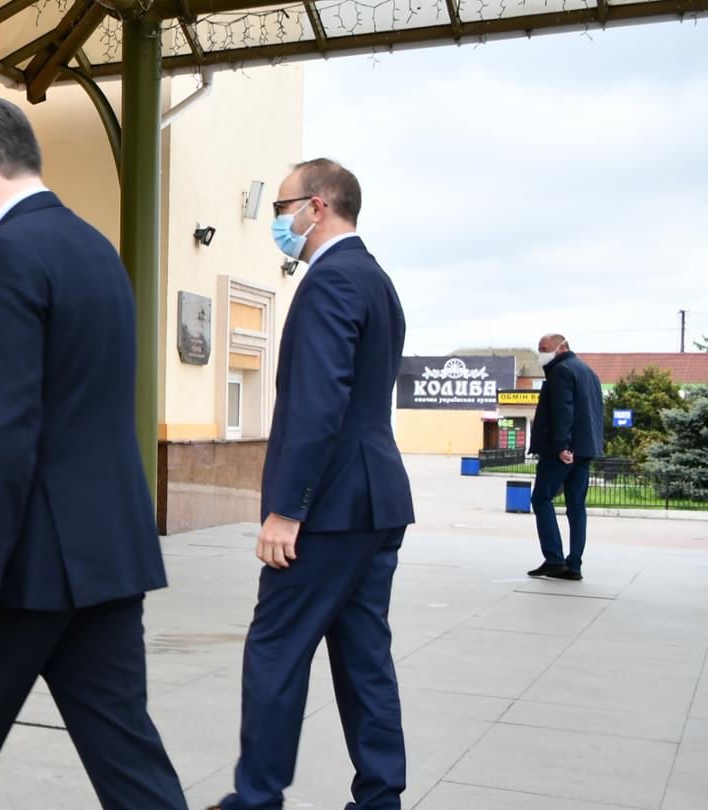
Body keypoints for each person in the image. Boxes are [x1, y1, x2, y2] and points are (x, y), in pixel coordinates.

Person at [0, 97, 185, 809]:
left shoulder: (5, 258)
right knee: (132, 766)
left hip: (17, 573)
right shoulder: (97, 252)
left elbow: (0, 432)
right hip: (106, 564)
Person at [214, 159, 415, 810]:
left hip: (328, 507)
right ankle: (381, 797)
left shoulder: (330, 281)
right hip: (373, 497)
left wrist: (287, 509)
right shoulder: (377, 281)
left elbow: (317, 403)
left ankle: (257, 798)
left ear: (319, 206)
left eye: (284, 207)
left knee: (275, 648)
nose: (280, 221)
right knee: (364, 658)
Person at [527, 333, 603, 581]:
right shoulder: (589, 372)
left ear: (562, 347)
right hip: (584, 450)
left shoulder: (560, 371)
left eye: (544, 348)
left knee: (541, 498)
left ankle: (554, 559)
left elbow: (564, 410)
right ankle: (574, 565)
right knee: (576, 507)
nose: (541, 353)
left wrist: (562, 445)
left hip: (562, 451)